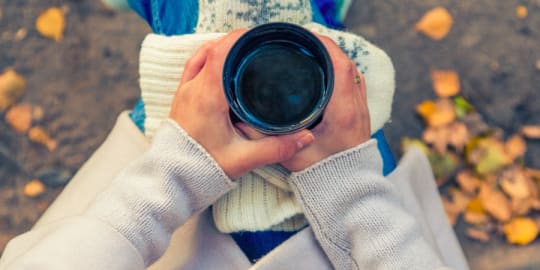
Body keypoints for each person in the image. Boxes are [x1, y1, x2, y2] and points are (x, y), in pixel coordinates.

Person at [1, 1, 470, 269]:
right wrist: (349, 191)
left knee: (215, 22)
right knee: (284, 30)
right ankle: (324, 11)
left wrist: (179, 172)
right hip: (359, 231)